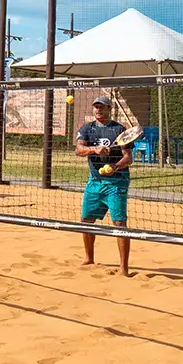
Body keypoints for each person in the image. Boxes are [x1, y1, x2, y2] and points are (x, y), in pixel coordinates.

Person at [74, 96, 133, 276]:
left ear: (109, 108)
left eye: (102, 107)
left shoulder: (119, 130)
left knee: (119, 223)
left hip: (117, 181)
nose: (98, 110)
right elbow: (78, 150)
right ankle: (89, 258)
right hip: (94, 181)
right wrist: (94, 149)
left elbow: (128, 158)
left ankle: (123, 268)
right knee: (86, 221)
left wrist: (115, 166)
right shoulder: (87, 128)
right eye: (96, 107)